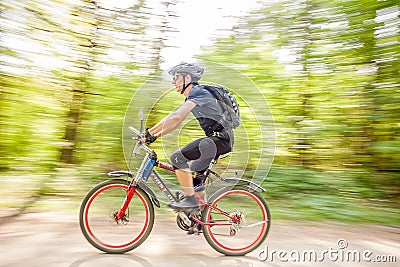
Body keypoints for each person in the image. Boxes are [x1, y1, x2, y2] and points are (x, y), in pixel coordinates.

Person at [143, 62, 234, 212]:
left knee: (177, 158)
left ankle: (190, 202)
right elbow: (173, 121)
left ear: (187, 78)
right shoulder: (192, 98)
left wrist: (149, 132)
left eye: (176, 77)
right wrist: (154, 136)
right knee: (195, 178)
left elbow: (176, 117)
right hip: (219, 141)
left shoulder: (198, 92)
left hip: (220, 140)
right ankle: (203, 219)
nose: (173, 82)